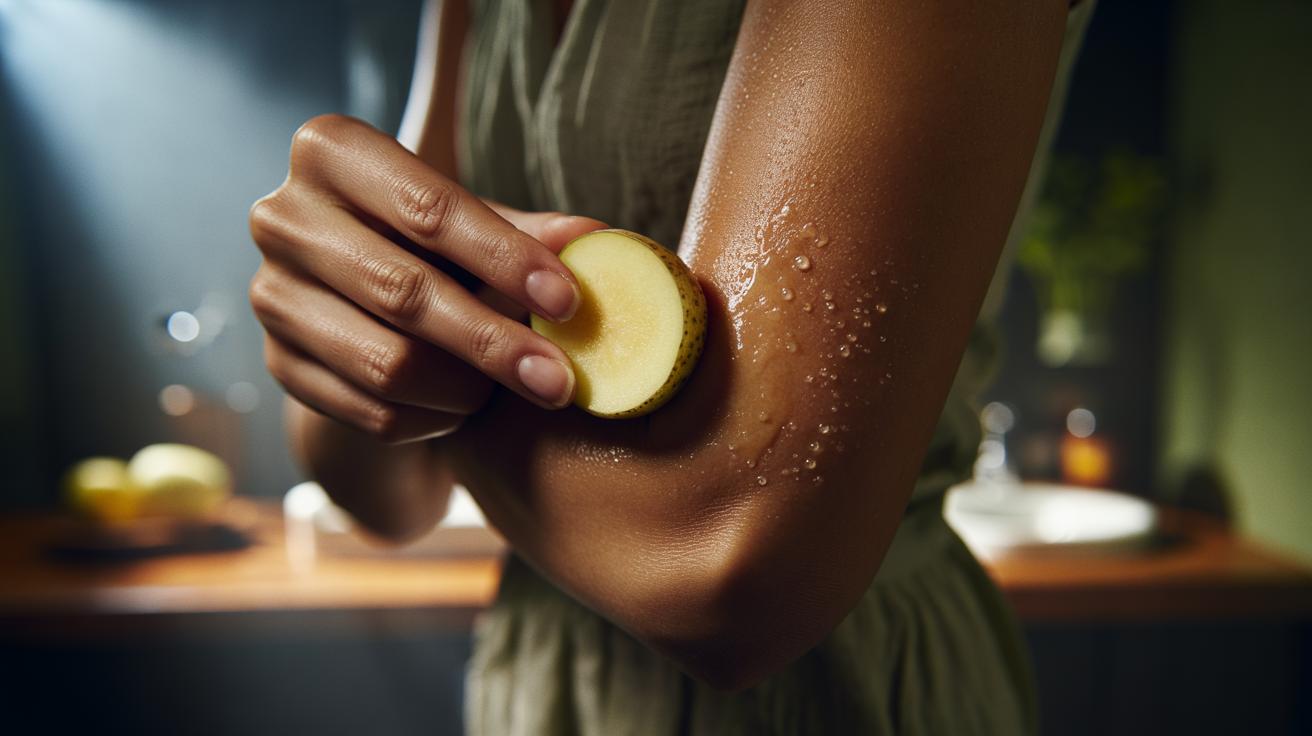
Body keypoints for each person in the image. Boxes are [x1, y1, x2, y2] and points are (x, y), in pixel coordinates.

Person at [248, 0, 1094, 732]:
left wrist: (444, 355)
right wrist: (345, 297)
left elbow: (728, 566)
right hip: (542, 681)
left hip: (840, 696)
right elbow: (383, 493)